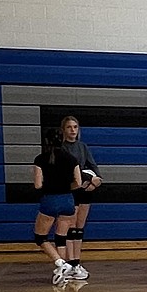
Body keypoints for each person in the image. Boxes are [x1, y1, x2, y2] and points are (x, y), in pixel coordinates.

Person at [33, 124, 82, 285]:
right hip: (68, 200)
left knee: (40, 237)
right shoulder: (71, 159)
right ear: (62, 139)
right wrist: (65, 187)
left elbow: (38, 185)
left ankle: (60, 263)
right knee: (61, 237)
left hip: (50, 200)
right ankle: (63, 273)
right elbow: (78, 183)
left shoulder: (40, 159)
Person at [59, 115, 102, 281]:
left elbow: (93, 167)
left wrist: (96, 181)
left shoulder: (83, 147)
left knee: (79, 227)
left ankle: (77, 262)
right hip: (70, 190)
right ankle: (69, 263)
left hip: (85, 189)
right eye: (69, 127)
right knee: (69, 226)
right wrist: (83, 180)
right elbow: (67, 170)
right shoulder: (62, 149)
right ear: (63, 130)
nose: (72, 130)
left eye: (75, 127)